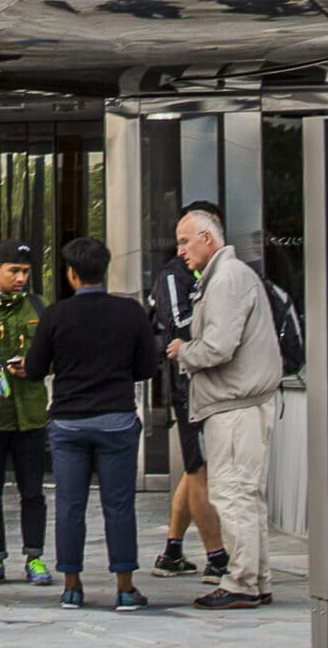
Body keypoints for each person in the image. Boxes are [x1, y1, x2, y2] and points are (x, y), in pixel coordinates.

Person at [24, 238, 158, 612]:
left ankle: (71, 585)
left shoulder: (55, 315)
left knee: (69, 504)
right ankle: (125, 587)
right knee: (119, 505)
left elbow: (36, 369)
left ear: (70, 274)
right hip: (116, 418)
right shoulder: (130, 312)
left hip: (68, 421)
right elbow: (148, 368)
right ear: (106, 268)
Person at [167, 208, 282, 609]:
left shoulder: (225, 280)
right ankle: (256, 579)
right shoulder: (231, 277)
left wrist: (184, 351)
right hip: (244, 403)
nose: (180, 250)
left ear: (207, 239)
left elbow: (218, 347)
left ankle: (241, 583)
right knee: (247, 495)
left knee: (232, 494)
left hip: (234, 406)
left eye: (185, 240)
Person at [151, 201, 227, 584]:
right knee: (199, 469)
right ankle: (217, 557)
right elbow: (178, 326)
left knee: (195, 469)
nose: (183, 250)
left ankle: (173, 550)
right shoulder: (172, 276)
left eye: (186, 241)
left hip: (214, 381)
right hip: (187, 385)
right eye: (181, 241)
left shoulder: (219, 274)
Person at [0, 239, 51, 587]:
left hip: (31, 414)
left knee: (32, 491)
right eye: (14, 271)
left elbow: (53, 353)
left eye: (25, 272)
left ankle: (34, 555)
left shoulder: (38, 305)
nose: (20, 278)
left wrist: (33, 367)